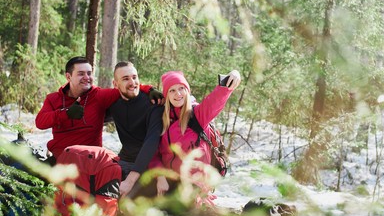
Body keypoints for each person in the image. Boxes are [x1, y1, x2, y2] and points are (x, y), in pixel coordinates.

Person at [35, 56, 161, 163]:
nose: (87, 77)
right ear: (68, 76)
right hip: (60, 159)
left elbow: (128, 87)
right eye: (81, 74)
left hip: (91, 161)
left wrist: (149, 89)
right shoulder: (53, 99)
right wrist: (66, 113)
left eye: (89, 73)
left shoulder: (99, 95)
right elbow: (40, 122)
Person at [142, 70, 241, 205]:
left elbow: (216, 100)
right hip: (169, 183)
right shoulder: (163, 120)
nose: (178, 94)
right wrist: (160, 177)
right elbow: (154, 154)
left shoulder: (199, 115)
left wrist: (231, 79)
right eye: (172, 90)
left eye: (181, 88)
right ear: (166, 95)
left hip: (195, 187)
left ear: (187, 91)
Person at [108, 61, 168, 198]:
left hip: (150, 164)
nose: (132, 82)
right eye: (125, 79)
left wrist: (130, 180)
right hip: (124, 161)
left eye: (134, 77)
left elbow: (151, 142)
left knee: (126, 201)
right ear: (115, 84)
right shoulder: (113, 103)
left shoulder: (153, 103)